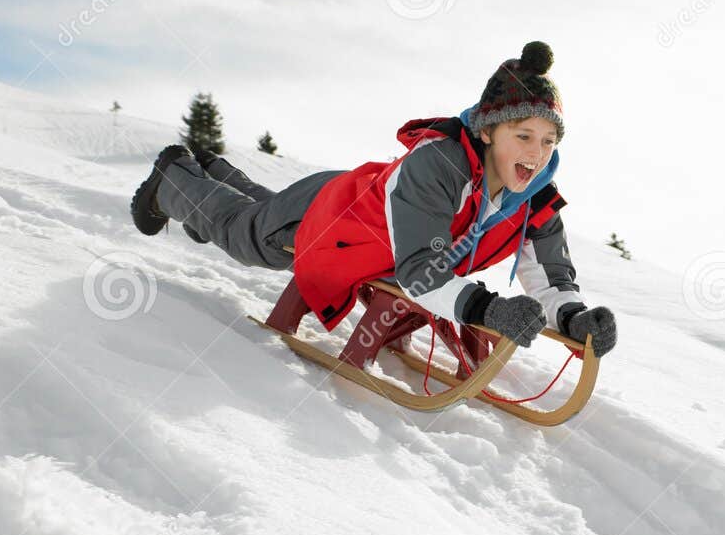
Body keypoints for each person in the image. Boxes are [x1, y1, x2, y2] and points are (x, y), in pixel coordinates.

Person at [130, 41, 617, 357]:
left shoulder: (535, 198)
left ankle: (215, 172)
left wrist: (574, 318)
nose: (537, 153)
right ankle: (172, 180)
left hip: (368, 229)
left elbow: (549, 274)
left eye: (549, 140)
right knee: (246, 236)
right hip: (333, 218)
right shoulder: (439, 165)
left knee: (257, 215)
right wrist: (487, 311)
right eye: (524, 135)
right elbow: (421, 271)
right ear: (488, 131)